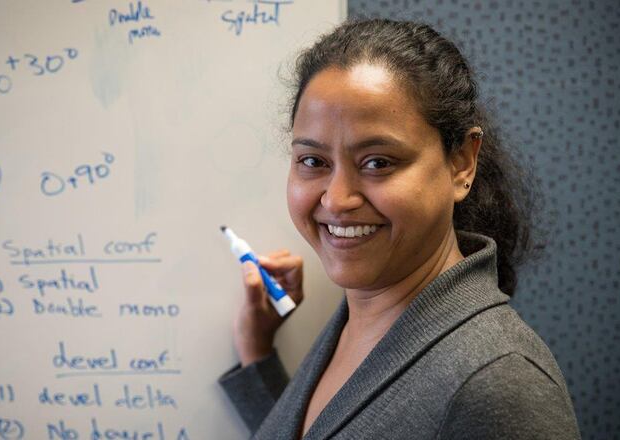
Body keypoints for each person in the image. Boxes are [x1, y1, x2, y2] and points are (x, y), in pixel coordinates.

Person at [218, 19, 581, 439]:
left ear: (461, 162)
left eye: (378, 162)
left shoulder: (501, 384)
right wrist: (257, 357)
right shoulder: (359, 321)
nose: (336, 199)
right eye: (313, 162)